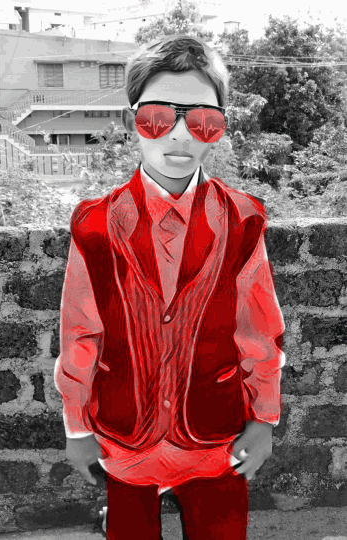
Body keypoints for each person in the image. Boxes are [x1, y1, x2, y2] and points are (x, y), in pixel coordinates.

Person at [54, 34, 286, 540]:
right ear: (130, 122)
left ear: (219, 128)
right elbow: (80, 332)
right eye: (158, 117)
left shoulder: (244, 221)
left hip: (215, 437)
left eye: (203, 121)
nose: (180, 135)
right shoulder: (94, 225)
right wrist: (77, 426)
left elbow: (258, 328)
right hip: (124, 437)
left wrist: (264, 419)